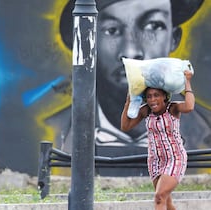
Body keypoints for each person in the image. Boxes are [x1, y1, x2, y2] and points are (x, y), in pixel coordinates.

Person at [54, 0, 211, 176]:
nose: (130, 51)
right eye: (111, 30)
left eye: (153, 26)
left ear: (174, 39)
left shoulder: (205, 131)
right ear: (89, 42)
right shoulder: (52, 133)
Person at [120, 70, 193, 210]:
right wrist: (129, 101)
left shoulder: (174, 108)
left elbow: (190, 106)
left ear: (164, 97)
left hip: (175, 157)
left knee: (159, 196)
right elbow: (125, 126)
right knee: (165, 200)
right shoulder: (145, 111)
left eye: (156, 96)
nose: (152, 100)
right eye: (149, 96)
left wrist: (187, 81)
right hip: (155, 161)